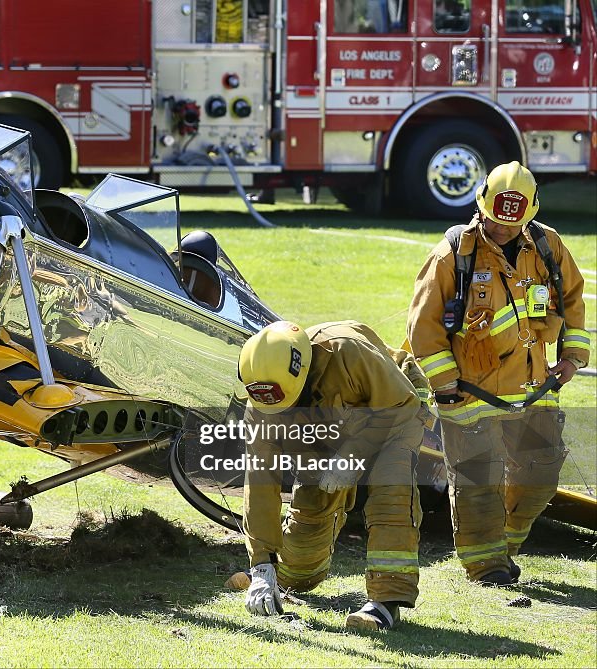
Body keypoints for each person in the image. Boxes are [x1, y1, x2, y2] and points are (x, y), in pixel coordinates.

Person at [407, 161, 589, 585]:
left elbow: (572, 300)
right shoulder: (452, 254)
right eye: (495, 220)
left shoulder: (547, 246)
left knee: (540, 477)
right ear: (481, 206)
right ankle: (486, 567)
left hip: (534, 387)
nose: (503, 230)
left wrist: (573, 356)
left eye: (514, 223)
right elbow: (423, 326)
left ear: (530, 213)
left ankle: (504, 544)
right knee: (476, 485)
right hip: (470, 395)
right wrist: (445, 383)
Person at [239, 320, 426, 631]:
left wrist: (355, 453)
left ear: (304, 371)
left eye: (289, 404)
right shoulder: (263, 403)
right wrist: (261, 566)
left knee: (392, 488)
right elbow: (260, 483)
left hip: (395, 410)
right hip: (330, 437)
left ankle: (386, 603)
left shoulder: (347, 352)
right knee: (300, 560)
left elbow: (403, 405)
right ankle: (277, 575)